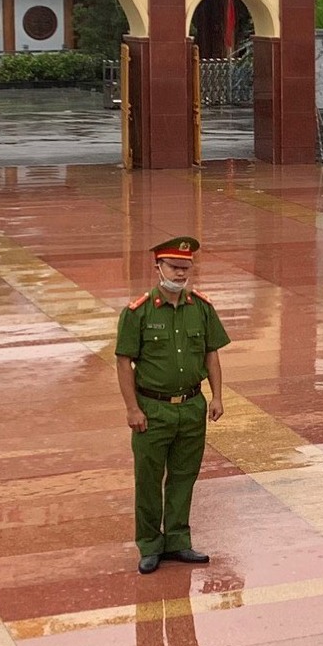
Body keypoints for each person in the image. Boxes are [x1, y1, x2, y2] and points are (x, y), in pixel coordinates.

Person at [114, 237, 227, 575]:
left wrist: (217, 396)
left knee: (183, 476)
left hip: (191, 406)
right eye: (174, 267)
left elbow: (211, 354)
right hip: (153, 408)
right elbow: (123, 362)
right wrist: (132, 409)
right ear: (158, 267)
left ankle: (177, 539)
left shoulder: (202, 308)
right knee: (148, 479)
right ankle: (150, 544)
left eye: (185, 268)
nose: (180, 274)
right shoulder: (138, 312)